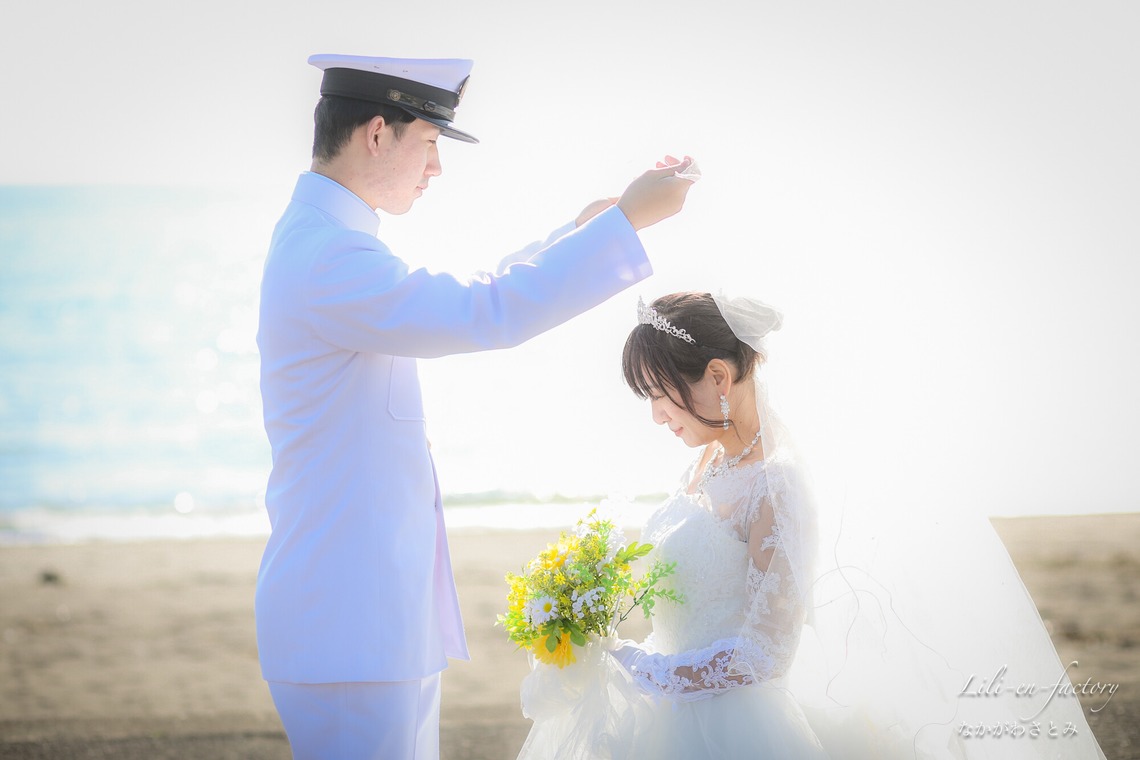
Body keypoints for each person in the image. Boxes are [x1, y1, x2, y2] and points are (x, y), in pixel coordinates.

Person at [255, 53, 695, 760]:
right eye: (429, 142)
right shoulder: (330, 257)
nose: (436, 169)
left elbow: (473, 289)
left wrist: (589, 230)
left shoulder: (331, 245)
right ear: (376, 134)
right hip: (349, 625)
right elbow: (484, 310)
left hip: (365, 622)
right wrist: (627, 226)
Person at [515, 291, 1108, 759]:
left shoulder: (779, 487)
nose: (655, 416)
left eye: (661, 395)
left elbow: (763, 654)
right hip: (667, 710)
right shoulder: (702, 462)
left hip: (731, 727)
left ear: (719, 377)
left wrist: (642, 670)